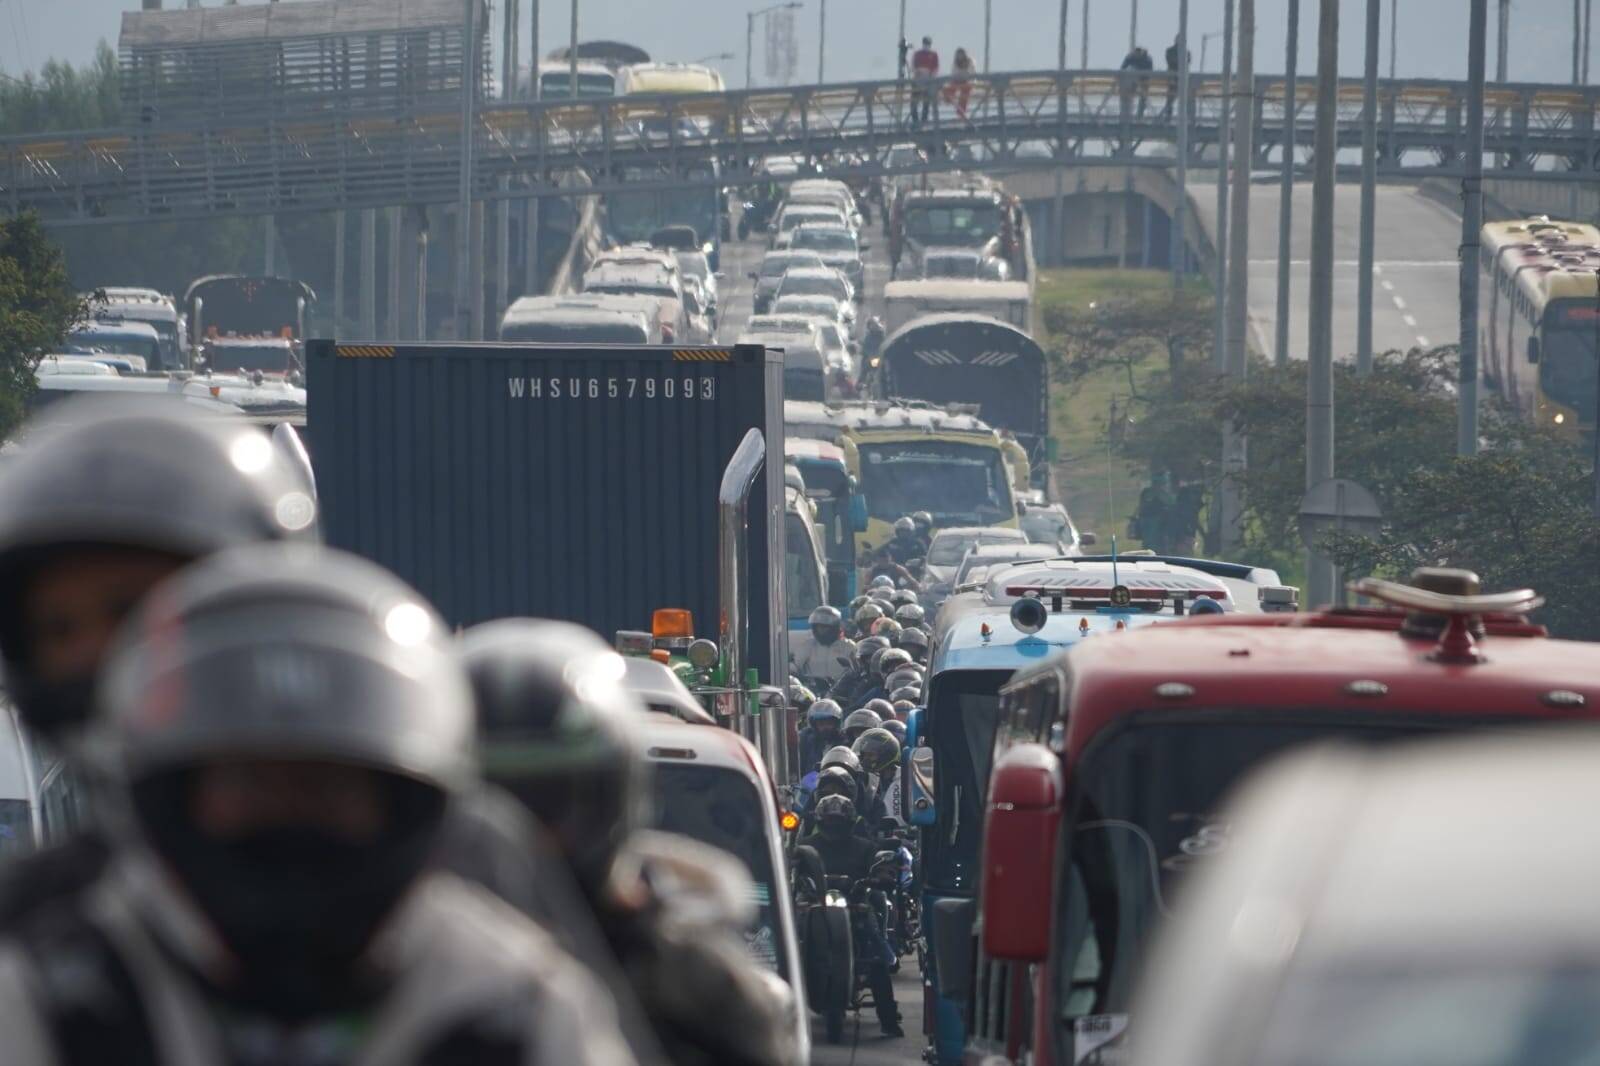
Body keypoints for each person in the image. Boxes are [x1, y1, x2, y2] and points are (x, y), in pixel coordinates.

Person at [0, 544, 637, 1065]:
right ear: (175, 797)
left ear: (403, 803)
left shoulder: (509, 1012)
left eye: (324, 787)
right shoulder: (60, 1001)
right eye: (252, 783)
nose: (287, 816)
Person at [0, 398, 321, 931]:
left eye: (129, 611)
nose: (91, 654)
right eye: (58, 629)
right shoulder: (38, 924)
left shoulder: (395, 849)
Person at [460, 618, 798, 1066]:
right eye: (492, 804)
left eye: (552, 806)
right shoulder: (379, 970)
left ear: (615, 800)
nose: (518, 838)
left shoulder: (699, 990)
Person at [802, 794, 903, 1037]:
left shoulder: (865, 847)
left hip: (856, 906)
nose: (834, 826)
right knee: (785, 942)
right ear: (821, 820)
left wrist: (881, 877)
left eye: (839, 821)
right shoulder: (807, 847)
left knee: (875, 955)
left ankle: (888, 1019)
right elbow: (791, 870)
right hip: (816, 908)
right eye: (830, 821)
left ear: (849, 822)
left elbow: (882, 869)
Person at [792, 604, 857, 687]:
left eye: (824, 627)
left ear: (834, 627)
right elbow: (795, 666)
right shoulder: (808, 646)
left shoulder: (849, 647)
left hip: (841, 692)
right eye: (818, 627)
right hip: (814, 691)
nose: (821, 630)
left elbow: (856, 671)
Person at [800, 698, 847, 775]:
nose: (825, 728)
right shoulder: (806, 742)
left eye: (829, 723)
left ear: (836, 724)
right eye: (821, 724)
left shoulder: (845, 743)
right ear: (814, 726)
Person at [911, 36, 939, 127]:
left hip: (929, 81)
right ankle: (915, 121)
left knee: (926, 102)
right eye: (925, 43)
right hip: (918, 80)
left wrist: (931, 76)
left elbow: (936, 67)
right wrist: (918, 72)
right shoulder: (917, 54)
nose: (926, 45)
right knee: (914, 101)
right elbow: (914, 66)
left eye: (928, 43)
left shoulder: (934, 54)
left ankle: (924, 121)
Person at [1120, 44, 1153, 117]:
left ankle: (1140, 114)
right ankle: (1126, 114)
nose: (1137, 54)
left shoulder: (1147, 59)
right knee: (1127, 94)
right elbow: (1123, 68)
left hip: (1144, 80)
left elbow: (1149, 70)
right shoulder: (1130, 57)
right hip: (1132, 81)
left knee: (1143, 96)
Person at [1162, 34, 1191, 118]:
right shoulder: (1170, 50)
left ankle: (1187, 117)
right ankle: (1168, 116)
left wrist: (1180, 62)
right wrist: (1180, 62)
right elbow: (1170, 61)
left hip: (1183, 77)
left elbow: (1188, 61)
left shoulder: (1186, 51)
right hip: (1173, 77)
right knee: (1170, 98)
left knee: (1186, 98)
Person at [945, 46, 975, 119]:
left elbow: (972, 72)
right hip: (957, 81)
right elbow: (954, 73)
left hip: (967, 82)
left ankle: (961, 114)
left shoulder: (970, 61)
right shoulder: (955, 63)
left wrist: (964, 77)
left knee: (964, 96)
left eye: (961, 54)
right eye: (958, 54)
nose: (960, 56)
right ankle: (948, 99)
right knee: (948, 89)